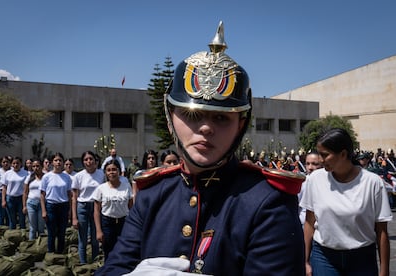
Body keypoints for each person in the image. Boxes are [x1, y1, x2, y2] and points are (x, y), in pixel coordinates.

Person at [97, 21, 305, 275]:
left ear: (241, 124)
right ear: (170, 115)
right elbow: (113, 269)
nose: (206, 128)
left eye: (221, 117)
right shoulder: (152, 195)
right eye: (192, 115)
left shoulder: (268, 201)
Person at [300, 128, 392, 275]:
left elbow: (382, 231)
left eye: (325, 155)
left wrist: (384, 271)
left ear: (343, 154)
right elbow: (309, 222)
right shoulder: (315, 179)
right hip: (324, 258)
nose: (321, 160)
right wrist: (304, 261)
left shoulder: (372, 183)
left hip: (362, 259)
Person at [93, 159, 133, 260]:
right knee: (109, 252)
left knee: (124, 250)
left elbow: (131, 207)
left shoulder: (127, 186)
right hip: (107, 223)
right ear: (105, 173)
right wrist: (98, 230)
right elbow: (96, 211)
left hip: (123, 222)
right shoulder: (101, 188)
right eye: (109, 170)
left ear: (119, 171)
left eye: (114, 169)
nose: (111, 172)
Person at [72, 151, 104, 264]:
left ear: (95, 161)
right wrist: (74, 217)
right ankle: (83, 264)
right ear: (83, 162)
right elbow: (74, 198)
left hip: (97, 208)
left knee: (96, 239)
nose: (88, 161)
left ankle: (95, 262)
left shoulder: (101, 174)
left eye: (91, 159)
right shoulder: (78, 176)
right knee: (83, 239)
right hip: (83, 207)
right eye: (86, 159)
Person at [40, 152, 72, 253]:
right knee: (51, 232)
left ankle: (60, 254)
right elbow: (42, 195)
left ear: (63, 163)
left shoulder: (67, 177)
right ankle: (51, 254)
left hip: (63, 206)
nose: (58, 162)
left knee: (62, 233)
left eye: (60, 160)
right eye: (56, 160)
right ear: (52, 163)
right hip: (51, 206)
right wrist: (44, 211)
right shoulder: (46, 177)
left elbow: (69, 195)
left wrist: (70, 210)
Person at [2, 156, 28, 229]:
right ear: (11, 164)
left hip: (21, 198)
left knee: (22, 218)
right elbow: (4, 188)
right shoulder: (7, 173)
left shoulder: (25, 173)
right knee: (12, 219)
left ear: (20, 164)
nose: (15, 165)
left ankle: (23, 234)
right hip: (10, 198)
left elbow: (27, 188)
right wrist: (3, 200)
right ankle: (12, 235)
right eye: (14, 163)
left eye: (17, 163)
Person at [297, 150, 322, 226]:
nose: (310, 167)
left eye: (314, 164)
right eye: (308, 164)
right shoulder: (302, 183)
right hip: (304, 225)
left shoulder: (328, 182)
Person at [23, 158, 45, 240]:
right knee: (32, 227)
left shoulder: (46, 177)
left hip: (42, 204)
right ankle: (31, 246)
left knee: (41, 227)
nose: (36, 168)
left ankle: (40, 246)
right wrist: (24, 206)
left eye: (38, 166)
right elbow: (25, 192)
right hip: (31, 203)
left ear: (41, 166)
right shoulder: (29, 177)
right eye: (34, 166)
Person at [0, 156, 12, 225]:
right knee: (1, 213)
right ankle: (0, 228)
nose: (6, 163)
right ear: (1, 163)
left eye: (7, 162)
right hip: (0, 192)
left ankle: (8, 229)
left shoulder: (12, 171)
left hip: (9, 193)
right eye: (4, 162)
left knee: (8, 213)